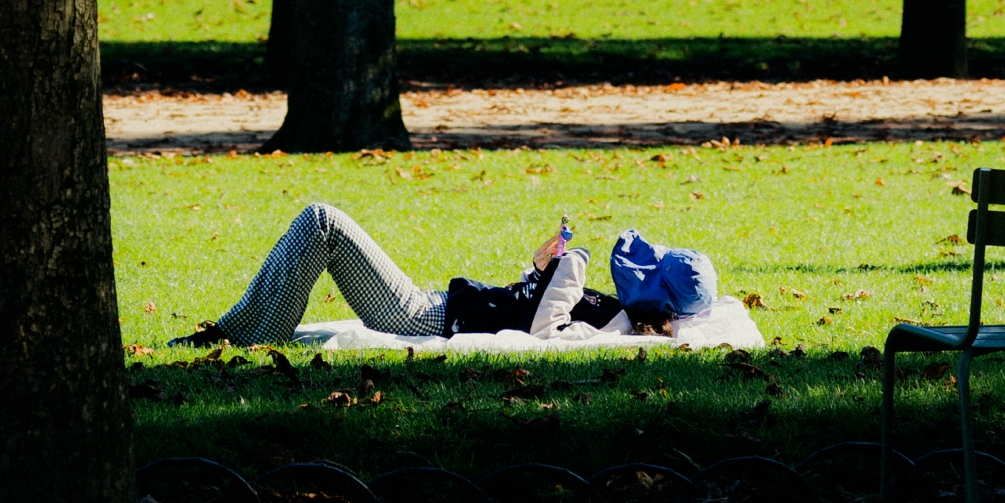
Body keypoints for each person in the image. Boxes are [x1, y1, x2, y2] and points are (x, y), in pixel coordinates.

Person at [190, 204, 677, 349]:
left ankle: (245, 335)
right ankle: (234, 330)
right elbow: (533, 304)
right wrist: (541, 267)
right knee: (320, 224)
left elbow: (545, 334)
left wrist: (573, 263)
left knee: (323, 222)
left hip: (423, 319)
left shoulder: (613, 325)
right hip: (433, 305)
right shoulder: (609, 308)